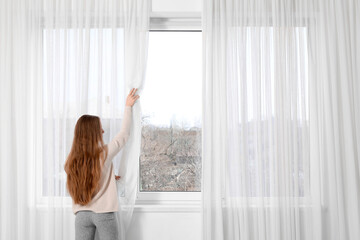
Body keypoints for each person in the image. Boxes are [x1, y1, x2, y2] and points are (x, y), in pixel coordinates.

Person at [64, 88, 140, 240]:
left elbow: (90, 177)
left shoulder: (72, 160)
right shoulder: (103, 154)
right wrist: (128, 106)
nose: (103, 131)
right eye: (100, 128)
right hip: (103, 215)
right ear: (93, 133)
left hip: (81, 215)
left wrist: (110, 176)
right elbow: (124, 135)